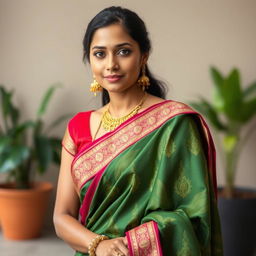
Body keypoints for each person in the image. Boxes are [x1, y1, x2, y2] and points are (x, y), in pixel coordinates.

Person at [53, 6, 223, 256]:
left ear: (143, 56)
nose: (111, 64)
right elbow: (61, 217)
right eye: (99, 54)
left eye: (123, 51)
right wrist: (99, 245)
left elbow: (195, 215)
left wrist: (134, 245)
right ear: (90, 60)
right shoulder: (78, 128)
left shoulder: (174, 123)